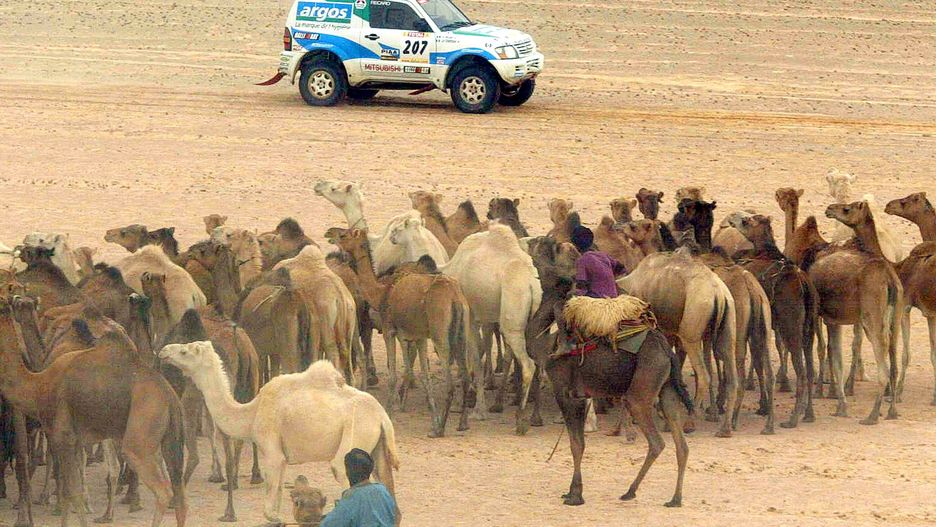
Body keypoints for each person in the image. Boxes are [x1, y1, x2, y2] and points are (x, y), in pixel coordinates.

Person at [321, 449, 398, 527]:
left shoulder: (351, 498)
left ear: (348, 472)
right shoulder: (383, 491)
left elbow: (328, 524)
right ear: (370, 469)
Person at [570, 225, 624, 298]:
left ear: (575, 245)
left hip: (597, 301)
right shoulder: (603, 255)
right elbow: (621, 268)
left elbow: (581, 286)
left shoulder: (583, 260)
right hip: (613, 299)